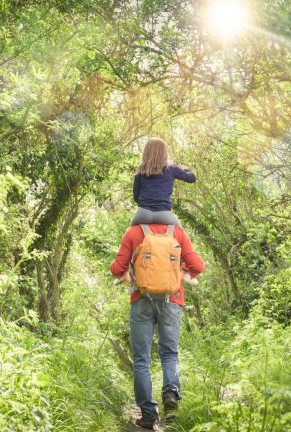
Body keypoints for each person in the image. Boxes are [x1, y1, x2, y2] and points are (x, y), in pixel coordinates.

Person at [110, 223, 205, 429]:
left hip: (141, 299)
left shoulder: (134, 232)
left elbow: (116, 269)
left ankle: (148, 415)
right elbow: (198, 266)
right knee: (169, 353)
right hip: (172, 299)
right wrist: (180, 273)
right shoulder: (177, 231)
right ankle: (171, 399)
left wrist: (131, 269)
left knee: (142, 359)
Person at [130, 138, 197, 228]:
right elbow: (192, 178)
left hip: (143, 214)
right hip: (164, 215)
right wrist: (185, 169)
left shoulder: (140, 170)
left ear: (146, 152)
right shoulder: (171, 169)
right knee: (181, 234)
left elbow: (136, 196)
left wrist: (146, 205)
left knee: (128, 234)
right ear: (164, 153)